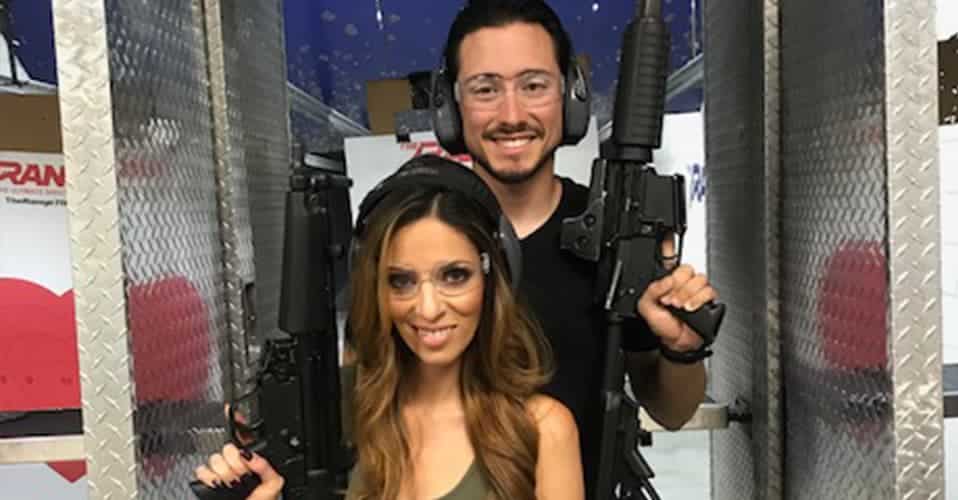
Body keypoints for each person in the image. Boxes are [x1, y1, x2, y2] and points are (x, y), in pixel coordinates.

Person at [434, 0, 719, 495]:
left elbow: (671, 411)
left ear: (571, 96)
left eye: (534, 85)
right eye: (485, 89)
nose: (511, 114)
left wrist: (681, 349)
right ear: (450, 107)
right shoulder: (417, 234)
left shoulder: (615, 232)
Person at [192, 155, 585, 500]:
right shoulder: (341, 410)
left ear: (492, 278)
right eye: (401, 281)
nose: (428, 308)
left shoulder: (541, 429)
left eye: (454, 276)